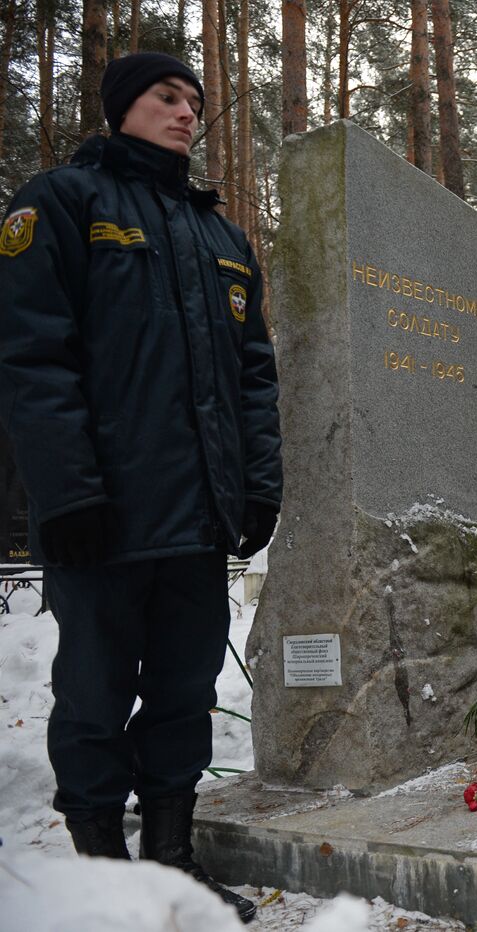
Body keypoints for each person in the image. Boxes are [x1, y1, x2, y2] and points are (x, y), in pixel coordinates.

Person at [0, 53, 282, 922]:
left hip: (197, 521)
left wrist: (256, 487)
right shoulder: (60, 204)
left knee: (184, 695)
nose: (187, 112)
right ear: (123, 106)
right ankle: (103, 883)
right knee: (93, 695)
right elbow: (32, 363)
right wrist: (67, 495)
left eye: (196, 100)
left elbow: (255, 380)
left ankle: (172, 864)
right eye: (167, 97)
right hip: (105, 518)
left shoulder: (222, 237)